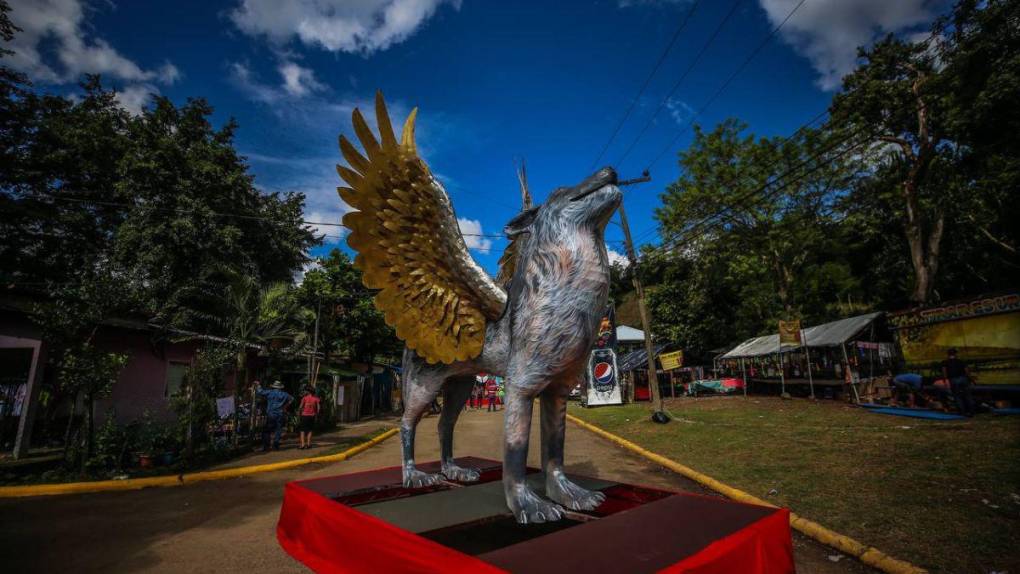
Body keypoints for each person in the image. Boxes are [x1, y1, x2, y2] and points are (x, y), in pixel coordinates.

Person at [256, 380, 293, 451]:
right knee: (278, 430)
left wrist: (258, 385)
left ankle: (266, 446)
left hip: (271, 413)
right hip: (280, 413)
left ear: (274, 386)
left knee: (267, 430)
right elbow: (291, 399)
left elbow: (260, 392)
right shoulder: (284, 394)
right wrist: (285, 407)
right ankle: (275, 445)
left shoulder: (270, 392)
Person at [942, 348, 975, 417]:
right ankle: (971, 411)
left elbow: (944, 373)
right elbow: (967, 372)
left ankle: (962, 412)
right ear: (956, 354)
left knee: (957, 396)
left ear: (948, 355)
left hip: (953, 380)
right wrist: (972, 380)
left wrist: (945, 381)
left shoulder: (945, 362)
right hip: (963, 379)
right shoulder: (961, 361)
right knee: (967, 395)